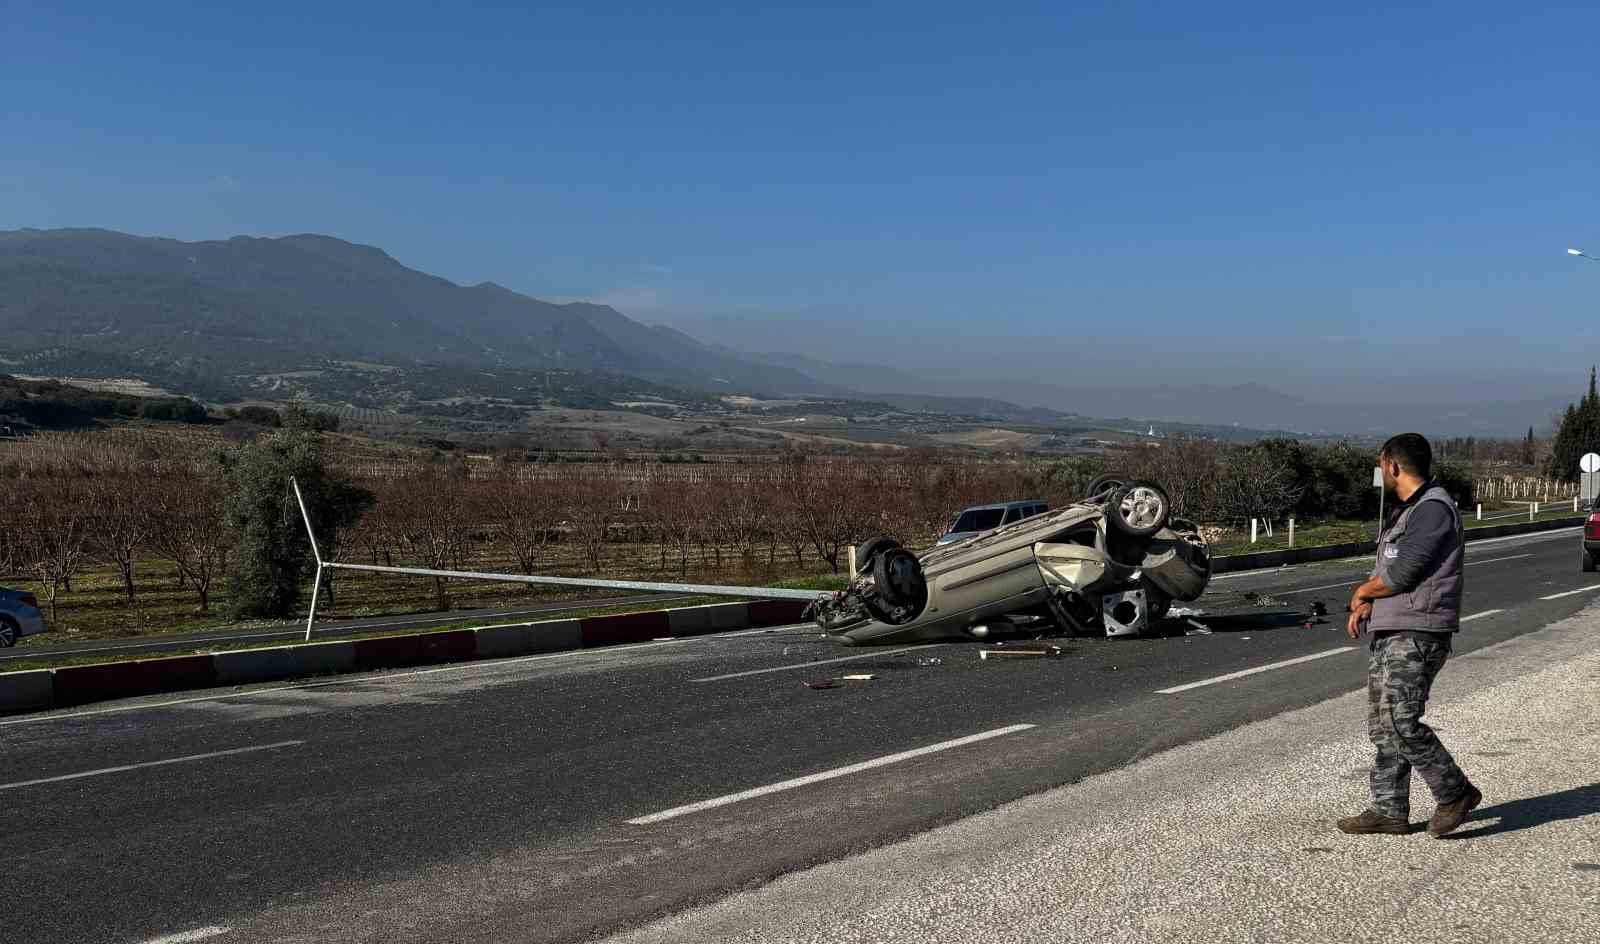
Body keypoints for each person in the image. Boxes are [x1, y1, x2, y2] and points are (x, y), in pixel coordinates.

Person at [1338, 433, 1481, 838]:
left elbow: (1405, 573)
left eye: (1382, 464)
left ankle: (1455, 792)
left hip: (1419, 630)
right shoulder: (1409, 510)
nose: (1381, 471)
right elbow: (1391, 568)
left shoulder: (1432, 509)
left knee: (1401, 721)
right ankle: (1388, 809)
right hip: (1393, 626)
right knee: (1383, 726)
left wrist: (1363, 592)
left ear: (1393, 466)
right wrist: (1370, 602)